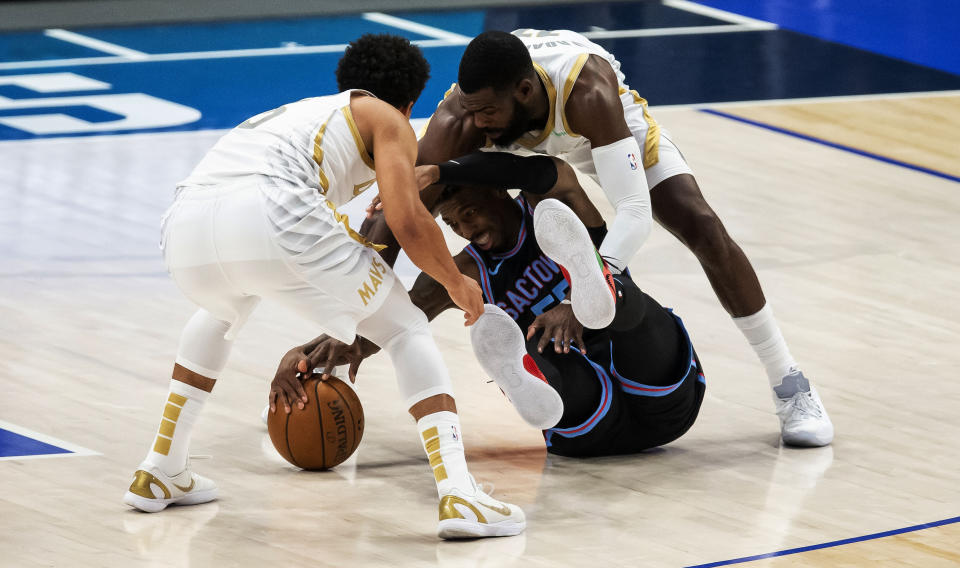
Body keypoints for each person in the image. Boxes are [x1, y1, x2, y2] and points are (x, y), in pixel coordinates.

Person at [123, 34, 525, 540]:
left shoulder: (304, 113)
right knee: (405, 330)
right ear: (408, 101)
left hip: (184, 226)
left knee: (219, 313)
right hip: (271, 209)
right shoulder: (388, 119)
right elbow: (408, 220)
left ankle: (160, 467)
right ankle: (460, 495)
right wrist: (456, 283)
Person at [367, 29, 832, 447]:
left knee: (702, 225)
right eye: (474, 111)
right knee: (413, 199)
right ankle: (551, 366)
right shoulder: (465, 119)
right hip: (523, 156)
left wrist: (584, 293)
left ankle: (789, 383)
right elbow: (396, 221)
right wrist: (347, 314)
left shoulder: (586, 90)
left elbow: (634, 211)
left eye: (488, 111)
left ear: (525, 91)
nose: (479, 123)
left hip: (599, 134)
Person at [286, 153, 705, 457]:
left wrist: (574, 305)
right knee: (539, 346)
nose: (468, 230)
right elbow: (394, 323)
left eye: (470, 212)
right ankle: (524, 377)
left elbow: (550, 169)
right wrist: (306, 355)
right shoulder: (464, 271)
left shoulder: (552, 206)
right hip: (589, 422)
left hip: (661, 392)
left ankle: (594, 292)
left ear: (498, 193)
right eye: (454, 224)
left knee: (628, 311)